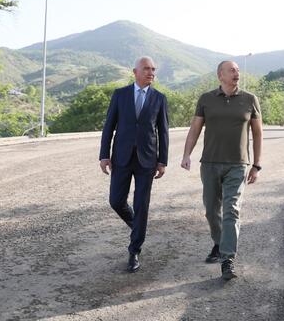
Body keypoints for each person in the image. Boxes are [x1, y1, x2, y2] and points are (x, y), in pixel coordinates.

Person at [181, 60, 263, 280]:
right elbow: (195, 128)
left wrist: (256, 165)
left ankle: (227, 259)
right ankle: (219, 243)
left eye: (238, 70)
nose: (237, 73)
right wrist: (187, 154)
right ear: (220, 75)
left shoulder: (250, 99)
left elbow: (258, 133)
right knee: (211, 210)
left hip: (237, 164)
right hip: (210, 164)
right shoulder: (206, 99)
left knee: (231, 210)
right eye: (232, 70)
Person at [99, 56, 169, 273]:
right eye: (146, 69)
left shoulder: (159, 98)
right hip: (121, 157)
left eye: (153, 69)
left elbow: (163, 131)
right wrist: (104, 155)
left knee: (141, 205)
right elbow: (109, 126)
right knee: (116, 200)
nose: (151, 73)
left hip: (147, 160)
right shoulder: (120, 95)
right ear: (135, 72)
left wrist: (162, 161)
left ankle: (134, 250)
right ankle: (137, 226)